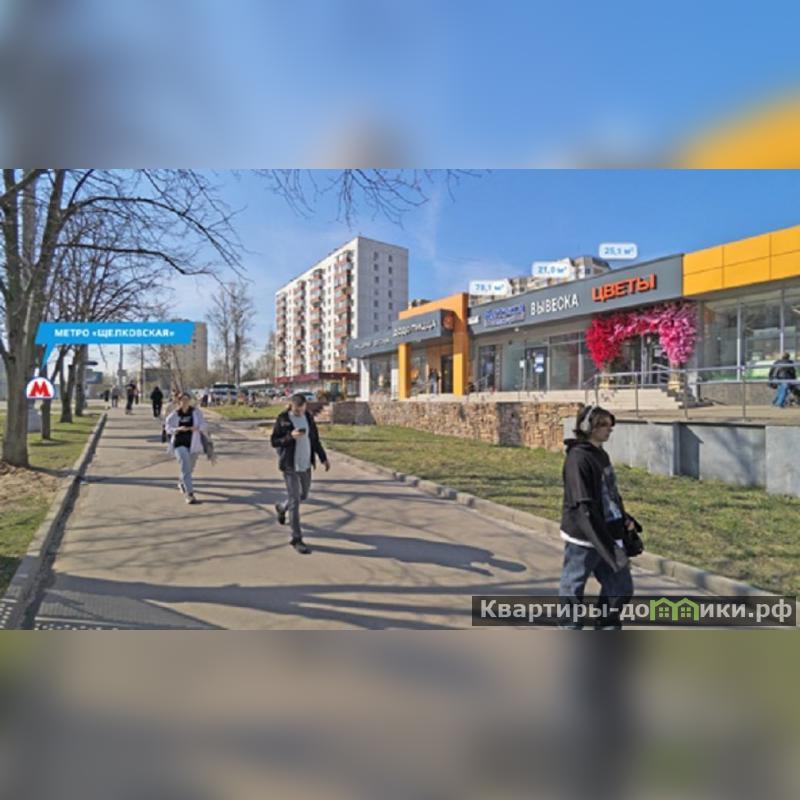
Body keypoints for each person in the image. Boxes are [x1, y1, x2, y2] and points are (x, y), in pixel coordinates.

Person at [559, 404, 635, 629]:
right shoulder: (578, 459)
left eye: (610, 424)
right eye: (603, 424)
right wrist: (602, 541)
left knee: (621, 587)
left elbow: (609, 493)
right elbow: (583, 507)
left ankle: (606, 626)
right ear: (587, 427)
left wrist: (624, 518)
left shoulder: (600, 454)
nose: (609, 429)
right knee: (573, 586)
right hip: (585, 537)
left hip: (608, 532)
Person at [270, 392, 330, 554]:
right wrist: (290, 436)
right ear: (291, 406)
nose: (299, 413)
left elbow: (315, 440)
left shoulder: (308, 417)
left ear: (305, 406)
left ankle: (282, 507)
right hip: (290, 465)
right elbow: (274, 441)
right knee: (295, 500)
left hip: (305, 464)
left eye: (301, 409)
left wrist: (323, 458)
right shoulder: (283, 419)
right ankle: (296, 538)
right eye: (296, 410)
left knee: (303, 495)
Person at [164, 392, 208, 505]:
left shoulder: (196, 412)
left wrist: (197, 428)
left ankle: (182, 482)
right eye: (183, 400)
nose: (185, 402)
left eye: (187, 400)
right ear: (179, 402)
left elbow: (204, 424)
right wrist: (178, 429)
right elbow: (167, 427)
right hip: (179, 444)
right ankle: (189, 494)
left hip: (193, 444)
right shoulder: (175, 414)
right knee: (186, 467)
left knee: (190, 468)